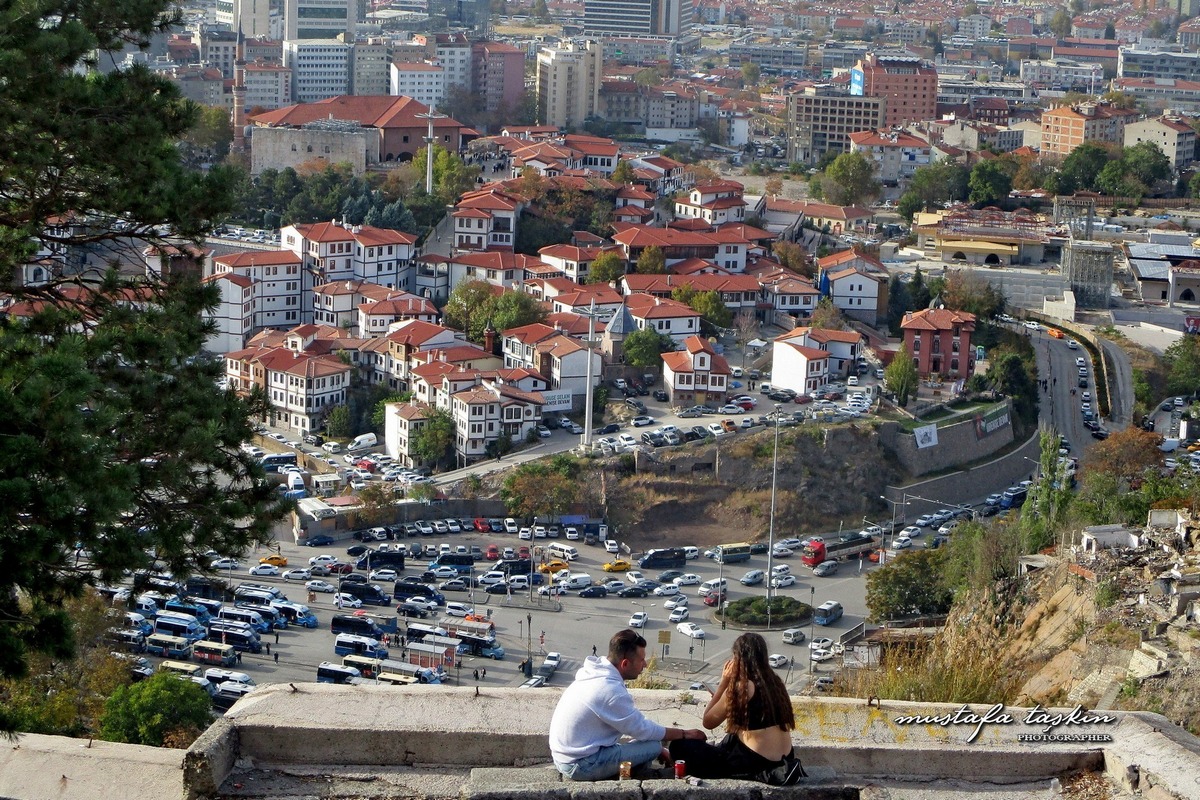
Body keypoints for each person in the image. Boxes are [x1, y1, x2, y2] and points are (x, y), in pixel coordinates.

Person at [549, 629, 706, 781]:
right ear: (625, 664)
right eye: (641, 660)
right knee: (652, 746)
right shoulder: (610, 691)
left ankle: (635, 769)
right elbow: (643, 730)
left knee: (648, 742)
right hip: (581, 765)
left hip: (565, 756)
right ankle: (641, 774)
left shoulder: (594, 674)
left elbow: (638, 726)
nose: (645, 664)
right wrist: (684, 734)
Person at [668, 633, 804, 784]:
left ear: (738, 659)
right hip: (784, 757)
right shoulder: (776, 683)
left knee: (679, 746)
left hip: (755, 763)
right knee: (733, 736)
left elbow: (708, 722)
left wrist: (724, 683)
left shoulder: (743, 687)